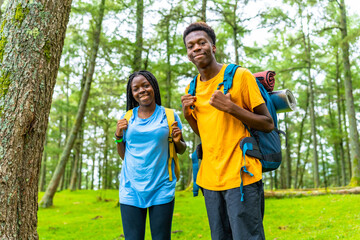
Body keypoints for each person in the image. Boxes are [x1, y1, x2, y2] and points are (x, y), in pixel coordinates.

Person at [181, 22, 274, 240]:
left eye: (201, 42)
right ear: (188, 54)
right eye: (190, 45)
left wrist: (231, 108)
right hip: (210, 180)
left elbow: (267, 123)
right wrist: (187, 116)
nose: (196, 48)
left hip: (242, 175)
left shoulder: (240, 76)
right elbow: (206, 133)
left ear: (213, 47)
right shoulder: (191, 88)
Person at [115, 70, 186, 240]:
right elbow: (124, 154)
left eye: (146, 85)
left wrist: (177, 141)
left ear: (153, 86)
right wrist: (118, 136)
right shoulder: (127, 118)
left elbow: (181, 149)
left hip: (161, 186)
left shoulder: (169, 116)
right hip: (131, 187)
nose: (142, 90)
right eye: (136, 88)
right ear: (132, 93)